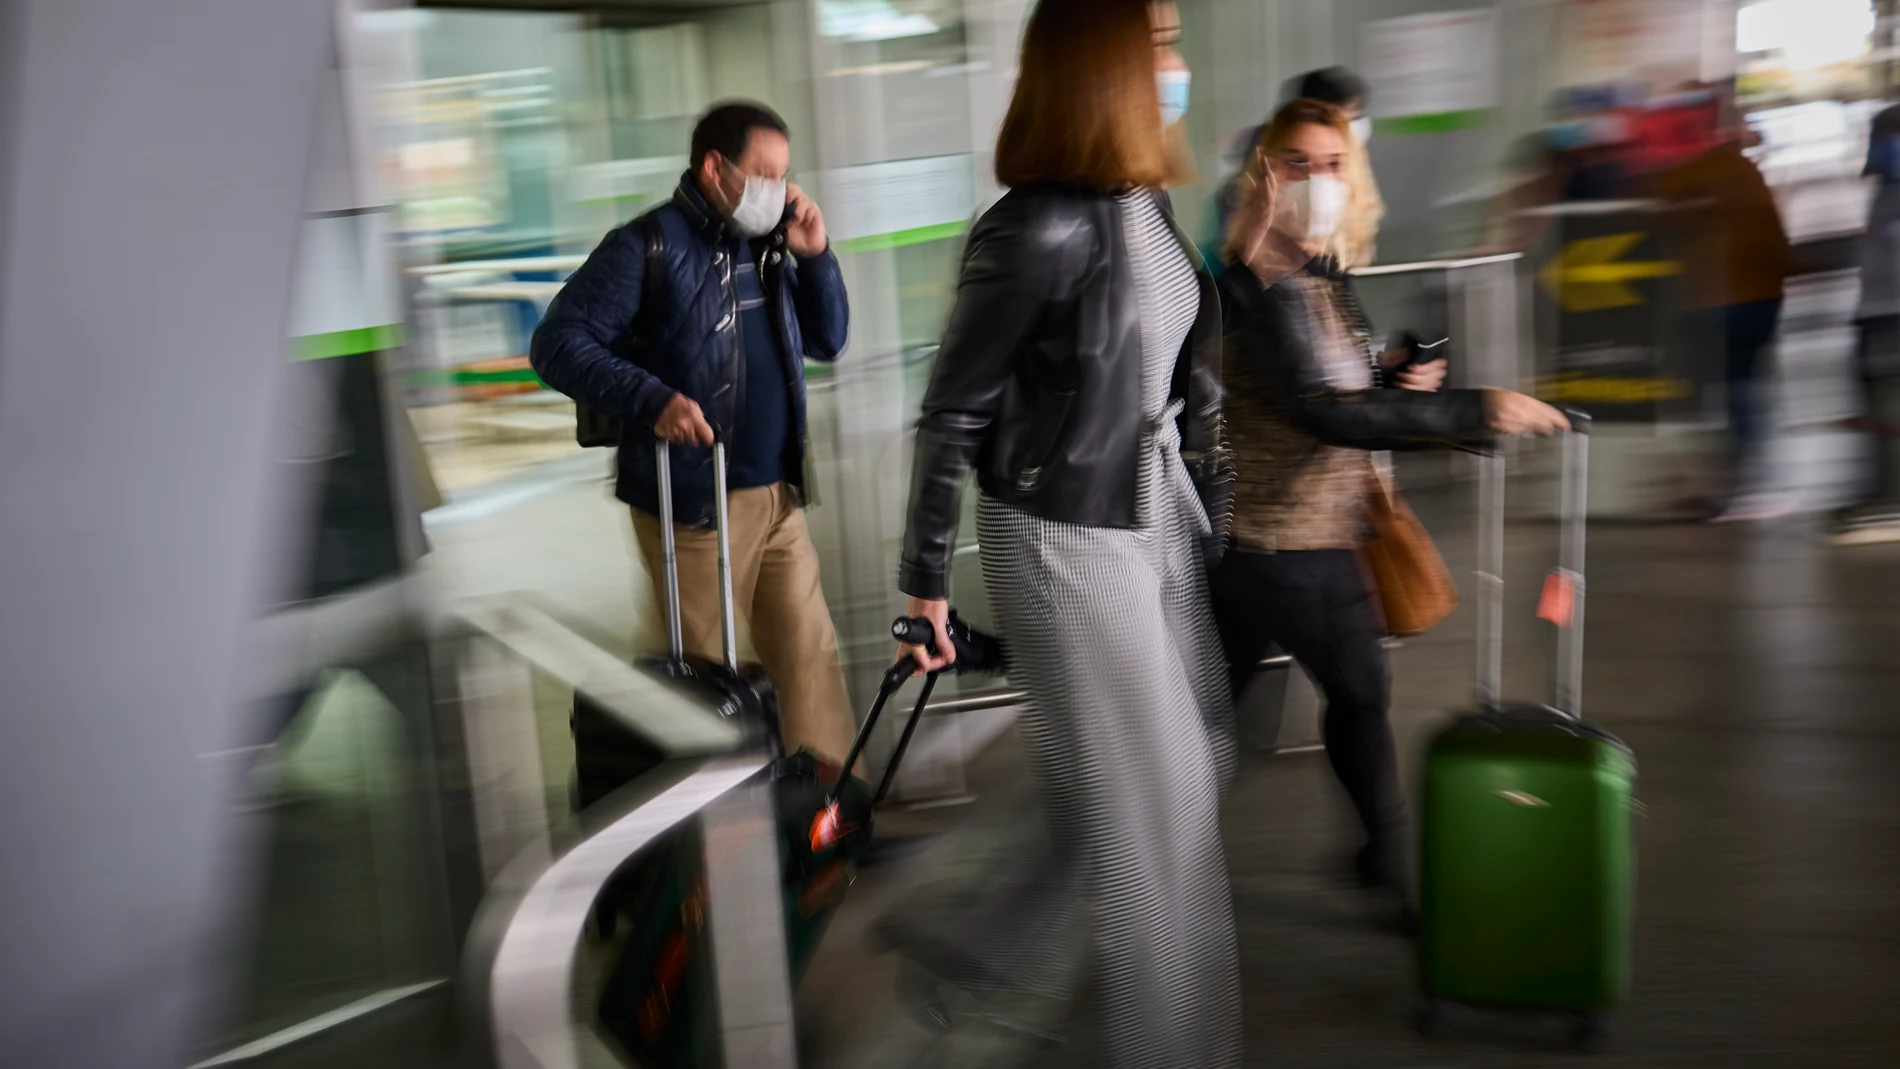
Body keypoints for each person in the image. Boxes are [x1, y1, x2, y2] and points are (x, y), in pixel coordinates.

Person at [886, 2, 1239, 1064]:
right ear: (1108, 67)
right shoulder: (1033, 224)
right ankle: (1174, 1046)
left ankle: (985, 955)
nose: (1176, 62)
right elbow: (951, 412)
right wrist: (921, 587)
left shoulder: (1141, 201)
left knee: (1180, 763)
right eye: (1160, 43)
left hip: (1147, 508)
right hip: (1063, 533)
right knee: (1156, 813)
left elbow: (1169, 367)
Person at [1213, 99, 1569, 929]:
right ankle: (1386, 868)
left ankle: (1122, 866)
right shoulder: (1254, 287)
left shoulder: (1319, 274)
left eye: (1333, 163)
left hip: (1283, 540)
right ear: (1263, 175)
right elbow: (1325, 414)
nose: (1318, 181)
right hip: (1282, 542)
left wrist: (1397, 375)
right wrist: (1475, 412)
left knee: (1215, 721)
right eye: (1297, 163)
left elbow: (1350, 395)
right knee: (1357, 691)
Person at [530, 101, 857, 766]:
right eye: (763, 173)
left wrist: (816, 256)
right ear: (715, 167)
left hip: (776, 493)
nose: (778, 191)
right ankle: (719, 853)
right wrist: (650, 398)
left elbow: (829, 337)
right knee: (706, 681)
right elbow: (556, 343)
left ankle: (831, 819)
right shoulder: (646, 246)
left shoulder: (768, 244)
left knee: (808, 659)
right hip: (693, 505)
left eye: (784, 176)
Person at [1649, 87, 1792, 521]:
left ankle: (1720, 486)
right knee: (1741, 393)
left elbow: (1658, 216)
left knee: (1717, 395)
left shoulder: (1686, 175)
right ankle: (1736, 481)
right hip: (1754, 298)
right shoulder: (1744, 171)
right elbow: (1774, 239)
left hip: (1717, 301)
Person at [1208, 65, 1380, 271]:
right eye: (1299, 162)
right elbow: (1227, 268)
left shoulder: (1353, 181)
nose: (1319, 176)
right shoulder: (1249, 190)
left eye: (1334, 164)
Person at [1835, 101, 1900, 544]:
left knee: (1884, 406)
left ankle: (1884, 494)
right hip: (1875, 313)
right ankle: (1878, 489)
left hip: (1889, 315)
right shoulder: (1883, 188)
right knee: (1873, 405)